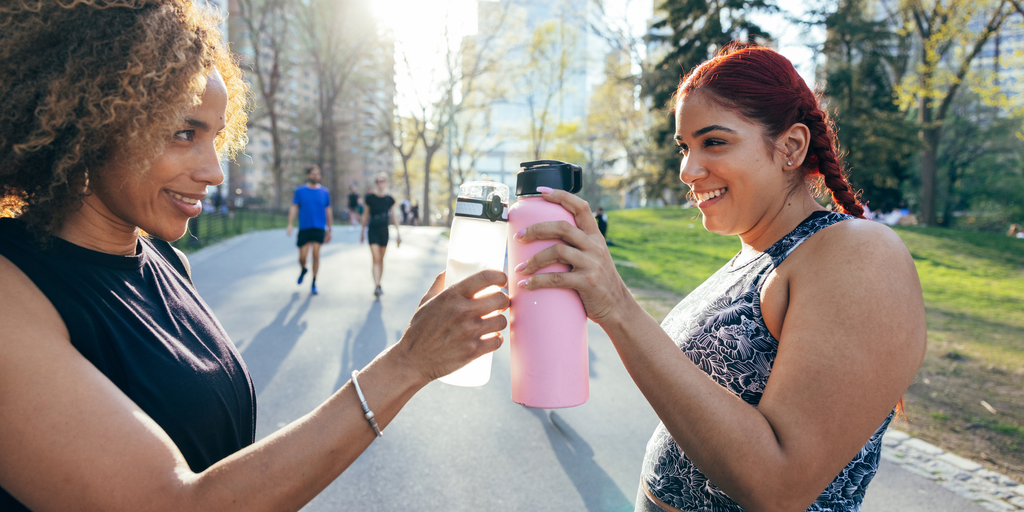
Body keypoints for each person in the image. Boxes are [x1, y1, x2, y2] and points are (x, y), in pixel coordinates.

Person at [0, 2, 508, 511]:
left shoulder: (164, 259)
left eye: (216, 137)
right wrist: (407, 364)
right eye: (184, 133)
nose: (214, 171)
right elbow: (175, 503)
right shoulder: (11, 291)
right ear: (93, 121)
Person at [512, 43, 926, 512]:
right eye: (684, 147)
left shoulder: (861, 253)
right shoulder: (757, 255)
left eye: (713, 142)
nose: (688, 170)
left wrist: (619, 308)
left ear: (791, 147)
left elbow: (778, 486)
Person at [286, 166, 332, 295]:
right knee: (302, 257)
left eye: (318, 174)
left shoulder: (324, 192)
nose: (315, 176)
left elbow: (328, 210)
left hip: (319, 228)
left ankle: (314, 282)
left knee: (316, 255)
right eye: (313, 174)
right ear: (308, 175)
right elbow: (294, 207)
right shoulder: (300, 191)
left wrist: (330, 229)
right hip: (304, 228)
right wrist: (290, 224)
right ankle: (303, 269)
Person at [360, 174, 401, 297]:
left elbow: (394, 216)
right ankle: (376, 285)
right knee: (376, 257)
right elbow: (365, 215)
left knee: (381, 259)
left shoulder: (389, 199)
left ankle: (379, 283)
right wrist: (362, 232)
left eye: (382, 181)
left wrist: (399, 233)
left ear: (386, 182)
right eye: (378, 181)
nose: (380, 183)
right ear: (375, 183)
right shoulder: (370, 198)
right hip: (372, 229)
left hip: (384, 230)